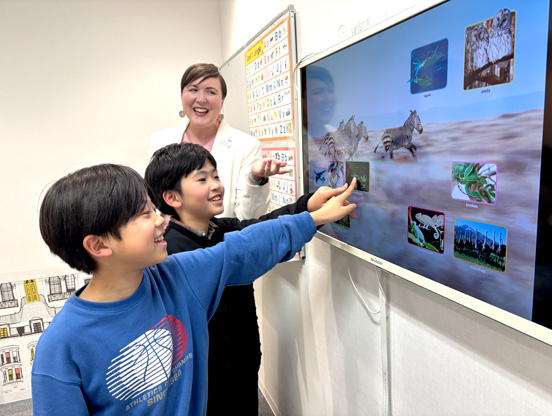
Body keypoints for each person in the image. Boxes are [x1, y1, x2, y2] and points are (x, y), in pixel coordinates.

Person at [32, 163, 356, 415]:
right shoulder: (61, 348)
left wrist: (310, 217)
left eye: (154, 209)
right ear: (99, 245)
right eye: (145, 214)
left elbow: (245, 246)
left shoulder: (177, 277)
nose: (160, 220)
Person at [144, 143, 351, 415]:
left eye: (216, 176)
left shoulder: (218, 229)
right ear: (172, 197)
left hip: (242, 361)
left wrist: (308, 205)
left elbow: (263, 226)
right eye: (202, 179)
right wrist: (313, 218)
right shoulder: (169, 254)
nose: (216, 185)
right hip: (207, 381)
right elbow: (251, 246)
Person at [150, 63, 282, 221]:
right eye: (193, 90)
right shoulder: (161, 140)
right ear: (181, 96)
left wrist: (255, 180)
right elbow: (154, 203)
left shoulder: (246, 146)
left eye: (210, 92)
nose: (201, 99)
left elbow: (248, 220)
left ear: (222, 101)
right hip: (169, 235)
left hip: (221, 235)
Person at [305, 65, 337, 139]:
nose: (328, 99)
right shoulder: (295, 139)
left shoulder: (337, 135)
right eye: (318, 92)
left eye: (330, 90)